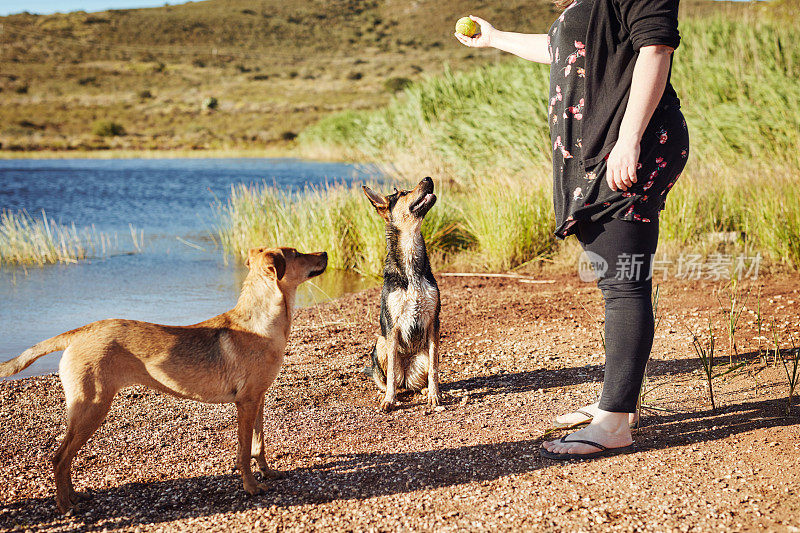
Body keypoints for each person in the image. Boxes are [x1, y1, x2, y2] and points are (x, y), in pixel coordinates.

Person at [455, 0, 689, 459]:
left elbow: (656, 49)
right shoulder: (588, 5)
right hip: (597, 151)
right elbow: (564, 49)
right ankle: (618, 402)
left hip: (627, 146)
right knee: (616, 280)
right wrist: (496, 38)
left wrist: (628, 139)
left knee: (624, 283)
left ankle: (615, 420)